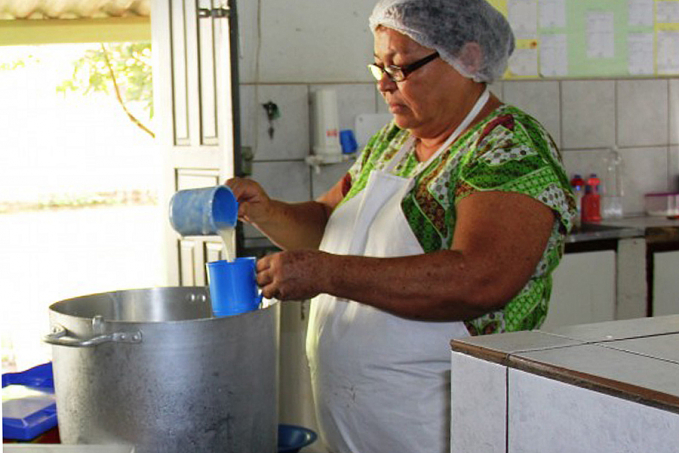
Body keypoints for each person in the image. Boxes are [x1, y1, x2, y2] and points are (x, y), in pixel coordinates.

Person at [227, 0, 576, 451]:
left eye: (402, 68)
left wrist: (327, 273)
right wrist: (264, 209)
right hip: (367, 427)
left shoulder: (506, 147)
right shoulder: (393, 141)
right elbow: (329, 224)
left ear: (466, 59)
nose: (385, 86)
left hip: (441, 425)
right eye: (378, 69)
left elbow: (481, 278)